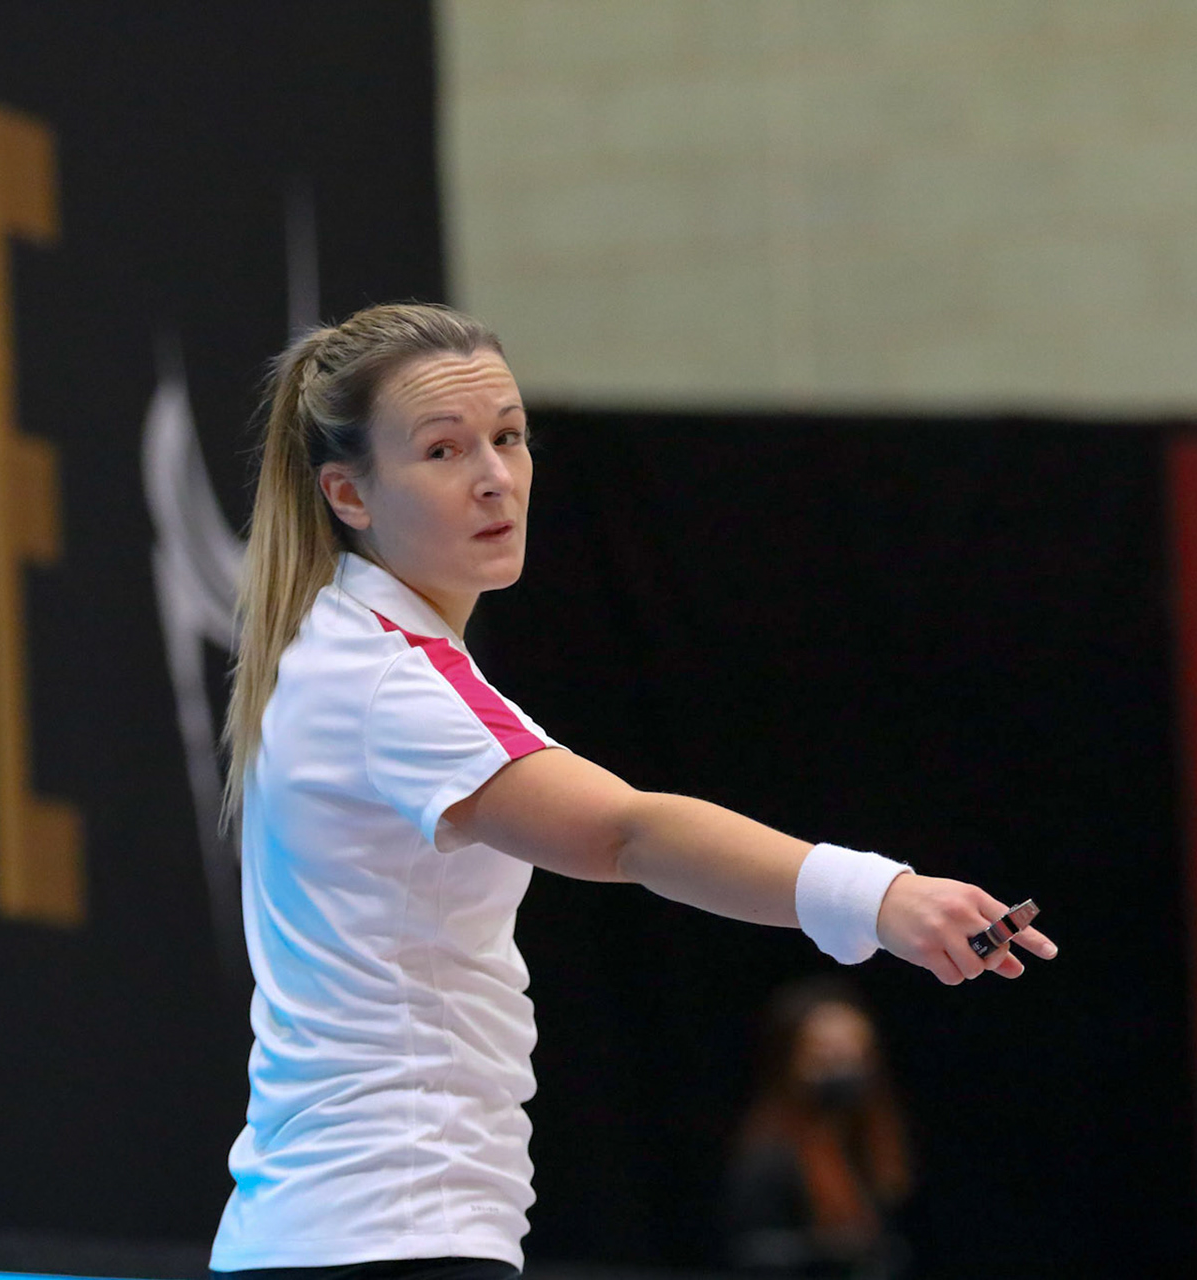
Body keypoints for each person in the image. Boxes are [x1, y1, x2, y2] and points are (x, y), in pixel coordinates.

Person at [206, 302, 1057, 1280]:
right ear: (349, 494)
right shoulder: (389, 678)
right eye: (442, 450)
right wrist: (878, 893)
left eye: (509, 436)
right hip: (385, 1239)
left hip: (353, 1236)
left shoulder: (354, 652)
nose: (494, 476)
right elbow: (624, 833)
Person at [726, 978, 918, 1279]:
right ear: (791, 1060)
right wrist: (833, 1250)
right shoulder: (770, 1155)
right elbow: (750, 1251)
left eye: (854, 1055)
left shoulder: (873, 1143)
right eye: (826, 1056)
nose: (843, 1069)